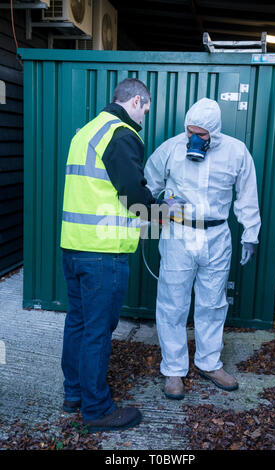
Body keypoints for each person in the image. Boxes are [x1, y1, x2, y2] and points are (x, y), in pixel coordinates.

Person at [144, 97, 261, 399]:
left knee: (213, 303)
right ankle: (173, 370)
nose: (194, 139)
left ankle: (209, 363)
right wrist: (161, 205)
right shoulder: (171, 148)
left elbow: (247, 194)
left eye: (201, 134)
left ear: (215, 133)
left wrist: (251, 234)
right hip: (179, 233)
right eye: (189, 132)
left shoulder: (236, 152)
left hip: (217, 235)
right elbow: (147, 185)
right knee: (172, 304)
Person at [60, 78, 156, 433]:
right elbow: (133, 193)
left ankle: (74, 395)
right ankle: (97, 409)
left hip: (74, 245)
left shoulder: (86, 131)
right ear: (134, 101)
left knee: (79, 323)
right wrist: (161, 209)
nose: (145, 116)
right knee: (98, 331)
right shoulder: (121, 133)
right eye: (145, 109)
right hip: (104, 252)